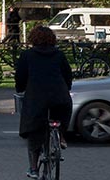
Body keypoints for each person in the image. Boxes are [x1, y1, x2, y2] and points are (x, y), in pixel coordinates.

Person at [15, 25, 73, 179]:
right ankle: (60, 136)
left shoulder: (27, 55)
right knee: (61, 116)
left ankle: (33, 168)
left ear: (33, 39)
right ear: (51, 39)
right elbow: (68, 75)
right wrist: (66, 88)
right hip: (59, 96)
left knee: (33, 129)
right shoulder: (59, 55)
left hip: (37, 98)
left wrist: (20, 88)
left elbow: (20, 77)